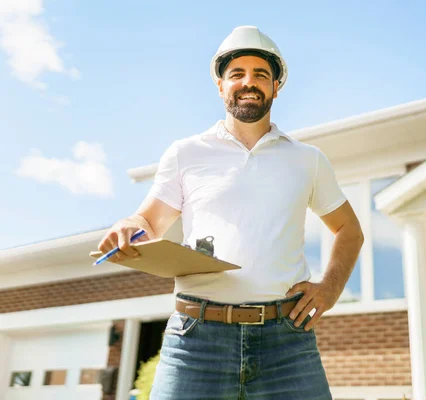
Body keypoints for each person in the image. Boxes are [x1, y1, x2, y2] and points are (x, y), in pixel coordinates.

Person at [97, 25, 364, 400]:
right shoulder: (186, 153)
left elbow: (349, 230)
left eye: (260, 74)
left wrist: (330, 288)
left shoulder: (308, 160)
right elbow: (148, 221)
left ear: (276, 87)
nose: (248, 82)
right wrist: (128, 225)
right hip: (196, 340)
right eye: (237, 74)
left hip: (286, 342)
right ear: (221, 86)